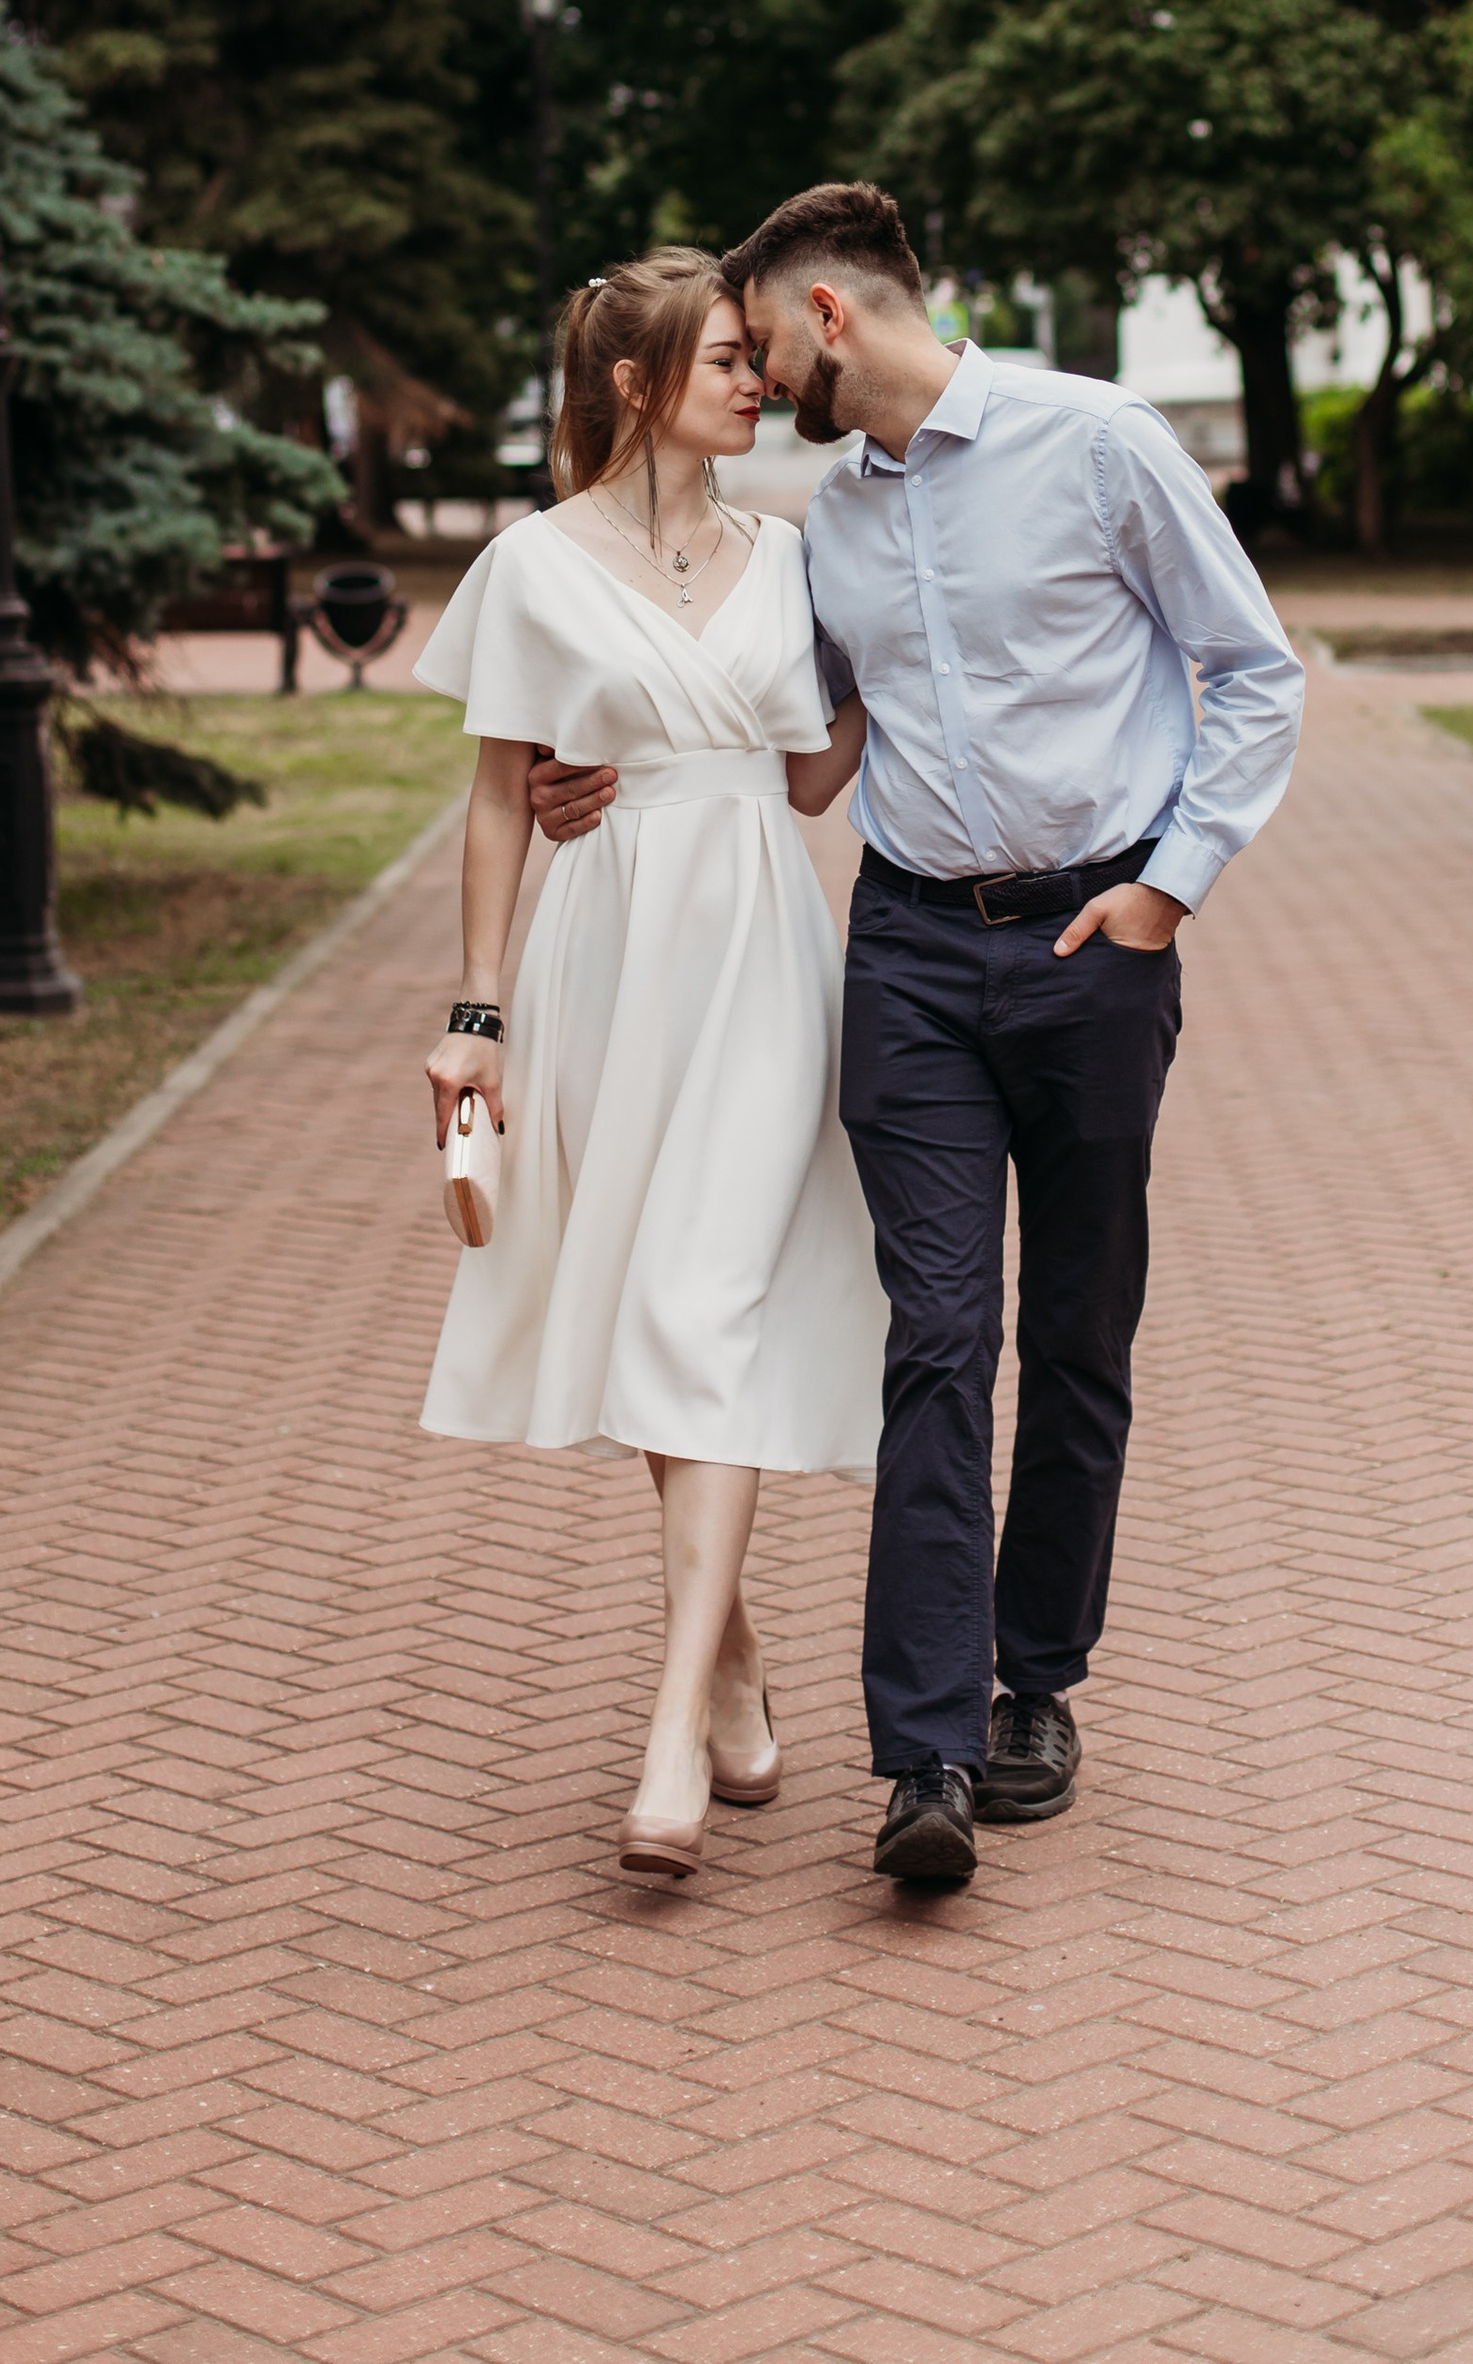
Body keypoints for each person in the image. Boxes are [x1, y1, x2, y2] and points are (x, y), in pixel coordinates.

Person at [534, 184, 1304, 1889]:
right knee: (938, 1336)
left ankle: (1039, 1681)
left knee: (1081, 1331)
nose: (754, 380)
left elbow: (1253, 672)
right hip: (910, 956)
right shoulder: (834, 522)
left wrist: (1171, 892)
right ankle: (926, 1749)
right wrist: (588, 769)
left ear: (827, 321)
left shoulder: (1100, 441)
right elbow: (792, 754)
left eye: (756, 344)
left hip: (1098, 934)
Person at [415, 249, 883, 1885]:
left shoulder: (793, 551)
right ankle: (734, 1651)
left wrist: (904, 667)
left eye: (760, 361)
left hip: (762, 947)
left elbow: (818, 777)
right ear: (638, 383)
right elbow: (498, 797)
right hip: (608, 955)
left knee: (699, 1307)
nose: (758, 384)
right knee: (652, 1308)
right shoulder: (533, 568)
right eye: (730, 359)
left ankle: (673, 1723)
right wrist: (475, 1015)